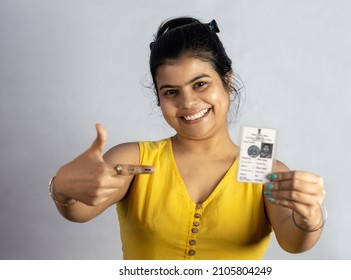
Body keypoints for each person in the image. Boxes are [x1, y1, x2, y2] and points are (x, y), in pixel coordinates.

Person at [49, 17, 326, 260]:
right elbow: (80, 212)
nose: (189, 102)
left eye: (200, 84)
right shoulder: (133, 160)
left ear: (227, 82)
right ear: (159, 98)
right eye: (171, 91)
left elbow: (293, 242)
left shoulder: (263, 168)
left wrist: (309, 216)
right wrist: (62, 184)